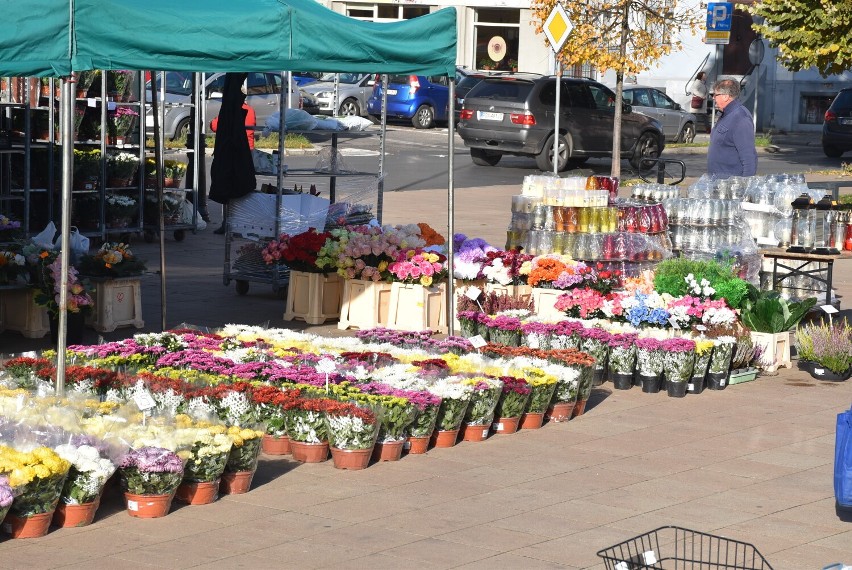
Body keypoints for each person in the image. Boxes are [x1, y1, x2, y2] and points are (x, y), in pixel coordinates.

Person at [707, 79, 757, 179]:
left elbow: (748, 158)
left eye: (715, 95)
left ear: (726, 97)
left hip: (731, 187)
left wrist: (745, 186)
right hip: (717, 182)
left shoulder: (740, 118)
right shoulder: (726, 115)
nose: (713, 98)